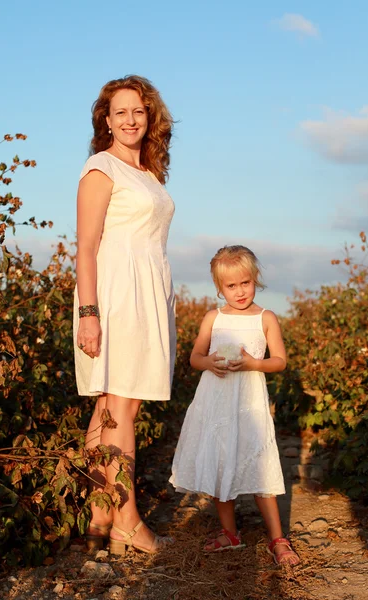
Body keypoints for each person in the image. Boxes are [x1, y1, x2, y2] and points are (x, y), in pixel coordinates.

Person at [73, 75, 176, 555]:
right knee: (122, 406)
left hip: (147, 292)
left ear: (149, 115)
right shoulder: (101, 167)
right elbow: (87, 248)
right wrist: (89, 313)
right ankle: (127, 520)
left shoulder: (149, 173)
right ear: (107, 120)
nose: (130, 119)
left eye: (138, 110)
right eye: (120, 112)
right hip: (115, 293)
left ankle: (98, 515)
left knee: (109, 407)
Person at [170, 245, 300, 565]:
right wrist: (210, 363)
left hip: (249, 402)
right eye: (231, 286)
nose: (239, 291)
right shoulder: (213, 318)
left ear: (255, 279)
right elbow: (194, 357)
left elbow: (280, 361)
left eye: (245, 283)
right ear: (219, 287)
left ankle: (277, 537)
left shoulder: (265, 318)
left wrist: (255, 364)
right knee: (220, 460)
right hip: (216, 400)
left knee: (258, 460)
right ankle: (230, 533)